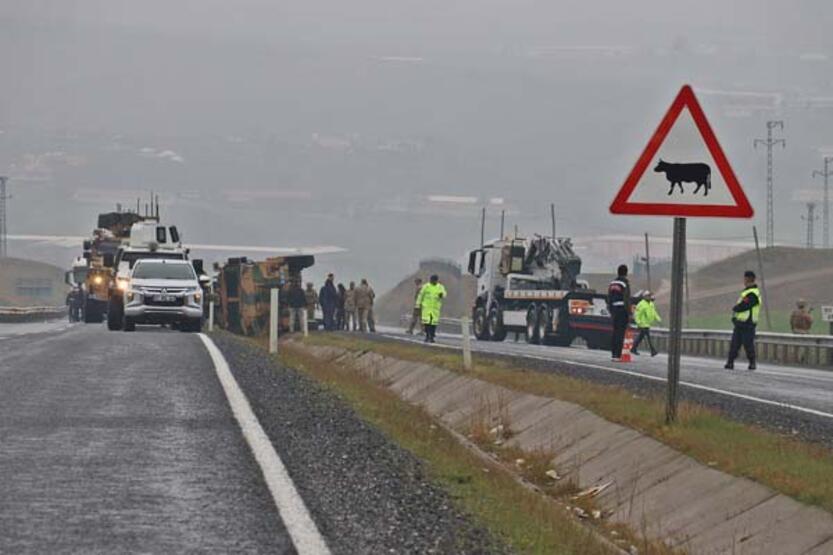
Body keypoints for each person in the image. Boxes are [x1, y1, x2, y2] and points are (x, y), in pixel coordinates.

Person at [724, 270, 761, 371]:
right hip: (740, 323)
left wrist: (736, 308)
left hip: (748, 323)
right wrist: (735, 318)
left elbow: (745, 305)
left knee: (748, 344)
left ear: (748, 279)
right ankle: (730, 362)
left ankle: (752, 363)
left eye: (745, 278)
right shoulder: (746, 292)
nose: (743, 280)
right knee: (734, 344)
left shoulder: (752, 293)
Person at [607, 264, 631, 361]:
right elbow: (626, 298)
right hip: (622, 310)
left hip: (614, 310)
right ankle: (618, 355)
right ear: (626, 273)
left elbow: (609, 297)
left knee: (615, 332)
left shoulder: (612, 283)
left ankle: (613, 354)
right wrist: (628, 312)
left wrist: (611, 309)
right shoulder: (625, 283)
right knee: (620, 333)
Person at [417, 274, 446, 343]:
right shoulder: (426, 286)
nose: (433, 281)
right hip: (426, 308)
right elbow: (421, 295)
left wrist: (442, 295)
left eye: (435, 280)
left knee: (433, 323)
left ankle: (432, 336)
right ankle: (427, 336)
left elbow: (444, 293)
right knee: (427, 323)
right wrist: (418, 305)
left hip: (435, 308)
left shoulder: (440, 287)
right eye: (432, 280)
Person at [632, 291, 660, 357]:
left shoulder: (651, 304)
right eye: (649, 296)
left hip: (647, 323)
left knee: (640, 337)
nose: (650, 297)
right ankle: (653, 350)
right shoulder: (641, 304)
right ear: (645, 297)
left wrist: (658, 318)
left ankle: (633, 348)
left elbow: (653, 312)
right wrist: (638, 322)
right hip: (642, 324)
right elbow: (637, 314)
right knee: (648, 338)